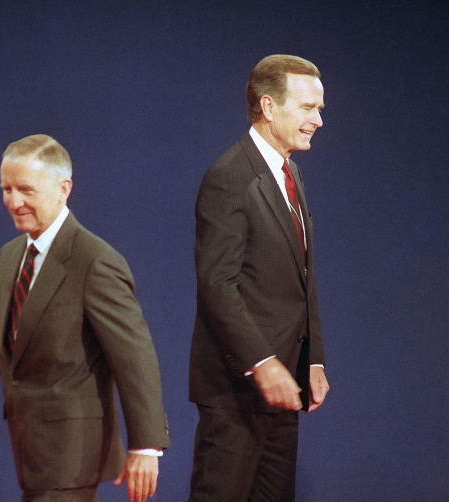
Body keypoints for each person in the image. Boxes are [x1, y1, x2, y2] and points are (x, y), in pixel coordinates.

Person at [0, 134, 169, 502]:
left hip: (73, 455)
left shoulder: (94, 260)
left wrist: (146, 447)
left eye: (26, 190)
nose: (14, 202)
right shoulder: (9, 255)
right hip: (32, 452)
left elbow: (136, 358)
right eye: (6, 189)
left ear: (64, 189)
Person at [188, 54, 330, 501]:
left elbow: (302, 276)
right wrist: (262, 363)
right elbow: (217, 285)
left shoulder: (291, 175)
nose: (318, 120)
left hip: (283, 387)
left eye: (319, 108)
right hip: (237, 392)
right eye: (308, 108)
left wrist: (314, 358)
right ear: (269, 108)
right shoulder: (230, 176)